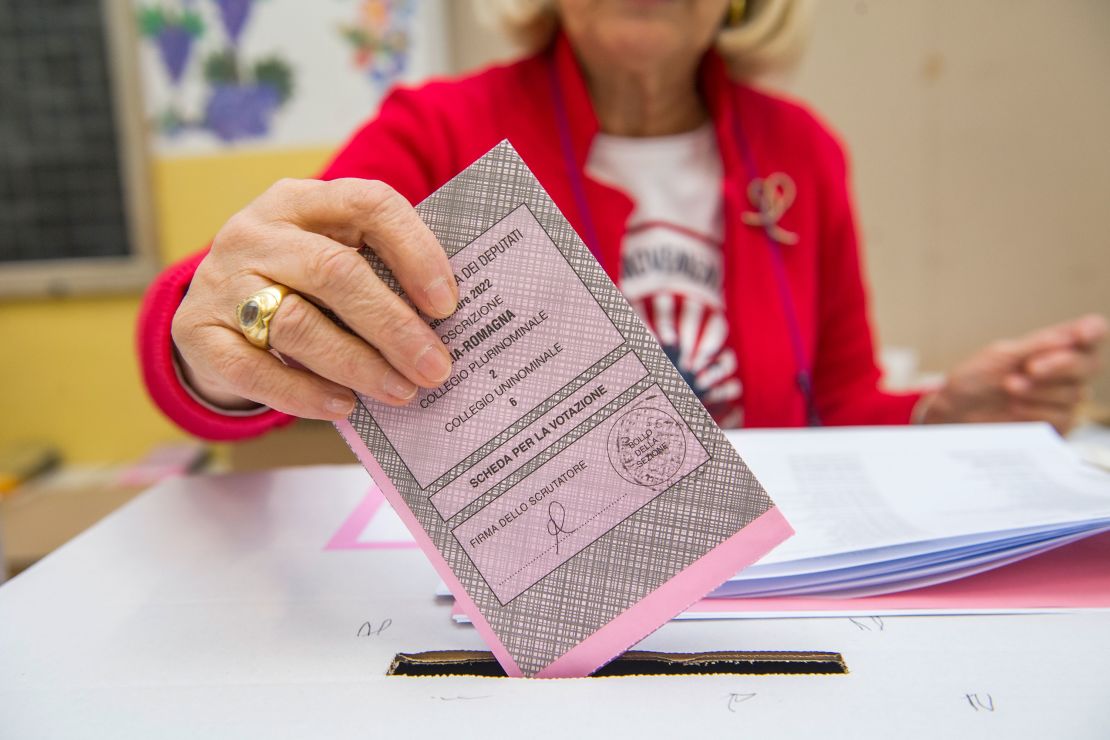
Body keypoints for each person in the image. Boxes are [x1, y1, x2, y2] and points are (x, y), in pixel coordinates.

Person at [138, 0, 1105, 442]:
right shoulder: (438, 130)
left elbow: (836, 411)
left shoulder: (801, 151)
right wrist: (209, 341)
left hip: (770, 596)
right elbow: (232, 327)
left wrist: (942, 414)